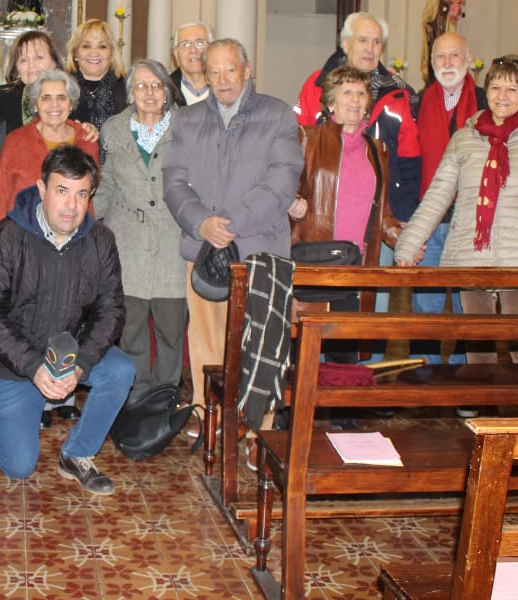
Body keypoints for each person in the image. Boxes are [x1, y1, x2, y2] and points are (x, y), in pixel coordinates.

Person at [0, 146, 134, 495]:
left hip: (67, 353)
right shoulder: (6, 237)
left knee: (120, 370)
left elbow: (112, 310)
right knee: (18, 467)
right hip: (15, 361)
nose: (72, 206)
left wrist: (81, 364)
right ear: (42, 189)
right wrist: (32, 366)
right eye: (61, 191)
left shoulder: (100, 240)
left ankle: (77, 454)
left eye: (81, 194)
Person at [163, 38, 302, 407]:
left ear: (247, 70)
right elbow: (174, 181)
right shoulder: (187, 119)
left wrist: (229, 223)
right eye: (214, 71)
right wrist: (201, 223)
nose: (223, 79)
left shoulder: (277, 115)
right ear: (204, 75)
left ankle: (258, 431)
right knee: (207, 341)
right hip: (203, 247)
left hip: (260, 250)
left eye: (230, 69)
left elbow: (282, 182)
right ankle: (207, 417)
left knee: (260, 344)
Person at [394, 55, 518, 317]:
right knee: (478, 347)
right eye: (495, 87)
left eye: (512, 89)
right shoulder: (465, 136)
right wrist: (408, 245)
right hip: (472, 255)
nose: (502, 95)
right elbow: (438, 194)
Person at [97, 59, 187, 398]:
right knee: (130, 330)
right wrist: (89, 224)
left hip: (172, 242)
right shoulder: (113, 129)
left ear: (166, 90)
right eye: (140, 86)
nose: (148, 93)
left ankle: (164, 400)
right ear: (130, 93)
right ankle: (135, 399)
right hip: (127, 243)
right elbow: (106, 184)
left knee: (170, 331)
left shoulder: (187, 126)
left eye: (156, 85)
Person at [288, 65, 402, 311]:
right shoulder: (305, 138)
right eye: (346, 92)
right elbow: (282, 188)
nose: (354, 99)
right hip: (315, 262)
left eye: (361, 93)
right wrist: (292, 201)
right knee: (310, 347)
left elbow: (381, 212)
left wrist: (403, 241)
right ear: (330, 101)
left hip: (358, 268)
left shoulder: (377, 150)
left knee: (349, 347)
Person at [294, 11, 420, 222]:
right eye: (362, 40)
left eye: (376, 42)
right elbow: (293, 145)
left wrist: (406, 213)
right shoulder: (316, 85)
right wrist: (296, 196)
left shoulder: (399, 93)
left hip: (382, 214)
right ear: (345, 43)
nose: (369, 49)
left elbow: (410, 159)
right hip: (322, 210)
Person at [0, 68, 98, 246]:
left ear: (71, 104)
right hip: (22, 244)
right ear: (35, 105)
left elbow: (88, 202)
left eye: (61, 97)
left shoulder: (87, 140)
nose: (54, 105)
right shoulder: (16, 141)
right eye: (46, 98)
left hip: (73, 244)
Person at [412, 32, 485, 322]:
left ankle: (464, 369)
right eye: (440, 56)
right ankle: (427, 368)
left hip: (469, 221)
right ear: (431, 63)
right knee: (425, 310)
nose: (448, 62)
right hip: (430, 221)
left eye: (455, 55)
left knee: (468, 309)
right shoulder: (418, 104)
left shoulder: (486, 104)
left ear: (468, 59)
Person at [0, 28, 63, 129]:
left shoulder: (70, 97)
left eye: (39, 57)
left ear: (55, 62)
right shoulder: (3, 98)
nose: (31, 65)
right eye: (24, 60)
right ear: (16, 68)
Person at [66, 18, 127, 133]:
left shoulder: (127, 89)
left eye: (102, 46)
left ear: (112, 54)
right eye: (86, 46)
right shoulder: (62, 87)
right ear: (75, 53)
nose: (94, 53)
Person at [419, 0, 451, 83]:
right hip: (434, 32)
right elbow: (426, 16)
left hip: (444, 31)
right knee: (433, 55)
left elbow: (451, 17)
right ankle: (431, 79)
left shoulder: (449, 0)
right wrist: (427, 24)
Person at [171, 21, 212, 106]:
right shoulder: (163, 92)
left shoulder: (227, 89)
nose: (193, 50)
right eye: (185, 44)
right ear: (176, 54)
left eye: (200, 43)